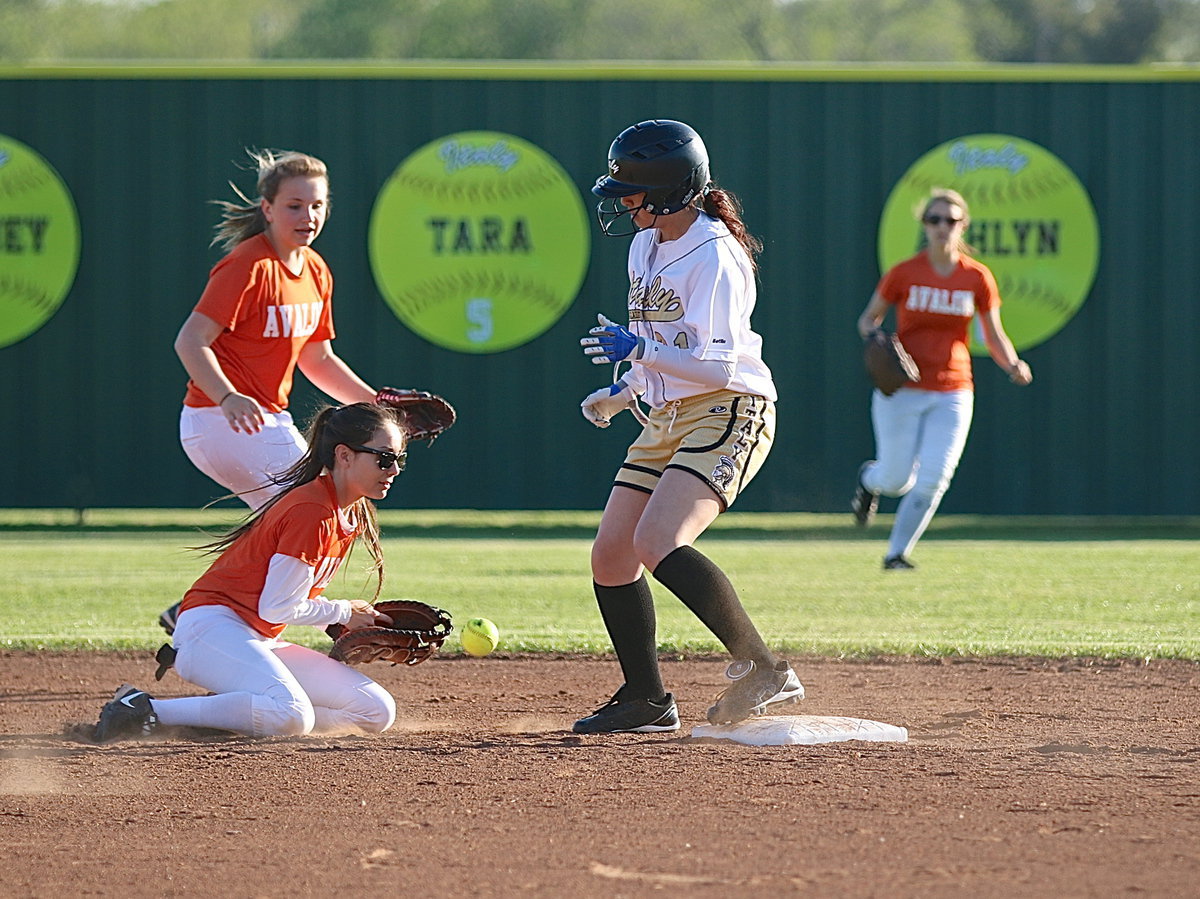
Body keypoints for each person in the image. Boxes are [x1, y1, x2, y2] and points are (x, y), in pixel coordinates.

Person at [573, 119, 803, 734]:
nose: (622, 202)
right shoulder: (644, 244)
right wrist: (624, 394)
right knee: (611, 556)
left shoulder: (717, 255)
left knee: (657, 543)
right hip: (669, 412)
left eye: (633, 190)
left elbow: (717, 363)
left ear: (673, 190)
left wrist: (638, 354)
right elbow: (662, 347)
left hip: (731, 406)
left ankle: (766, 669)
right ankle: (646, 700)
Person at [163, 149, 382, 634]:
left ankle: (200, 610)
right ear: (267, 208)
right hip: (220, 419)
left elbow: (317, 359)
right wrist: (226, 395)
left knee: (297, 515)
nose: (308, 216)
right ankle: (218, 611)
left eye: (317, 205)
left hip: (263, 419)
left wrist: (375, 408)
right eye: (294, 205)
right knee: (316, 501)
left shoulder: (316, 271)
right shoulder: (248, 266)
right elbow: (190, 340)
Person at [94, 402, 405, 742]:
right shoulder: (312, 511)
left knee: (375, 712)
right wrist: (343, 610)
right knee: (291, 715)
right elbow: (277, 608)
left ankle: (235, 712)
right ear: (344, 455)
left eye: (399, 459)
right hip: (211, 630)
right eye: (384, 458)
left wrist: (339, 622)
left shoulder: (346, 512)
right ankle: (142, 709)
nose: (394, 470)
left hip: (256, 639)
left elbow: (297, 597)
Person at [851, 188, 1033, 570]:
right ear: (924, 226)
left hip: (953, 389)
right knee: (896, 479)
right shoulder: (905, 272)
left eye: (950, 220)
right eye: (934, 220)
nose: (941, 227)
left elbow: (993, 333)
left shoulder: (977, 277)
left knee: (935, 476)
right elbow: (869, 319)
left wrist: (1011, 363)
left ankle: (896, 554)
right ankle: (870, 481)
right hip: (903, 387)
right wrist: (878, 340)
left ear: (962, 225)